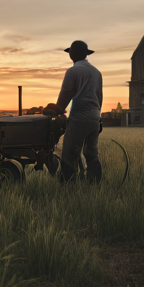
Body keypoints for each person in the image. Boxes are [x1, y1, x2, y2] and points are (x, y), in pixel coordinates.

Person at [46, 40, 103, 183]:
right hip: (95, 117)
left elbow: (66, 92)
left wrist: (57, 108)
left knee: (69, 152)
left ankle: (69, 187)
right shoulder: (96, 72)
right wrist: (98, 117)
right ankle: (94, 185)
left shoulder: (73, 71)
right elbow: (99, 96)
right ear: (86, 55)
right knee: (91, 153)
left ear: (72, 54)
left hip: (79, 117)